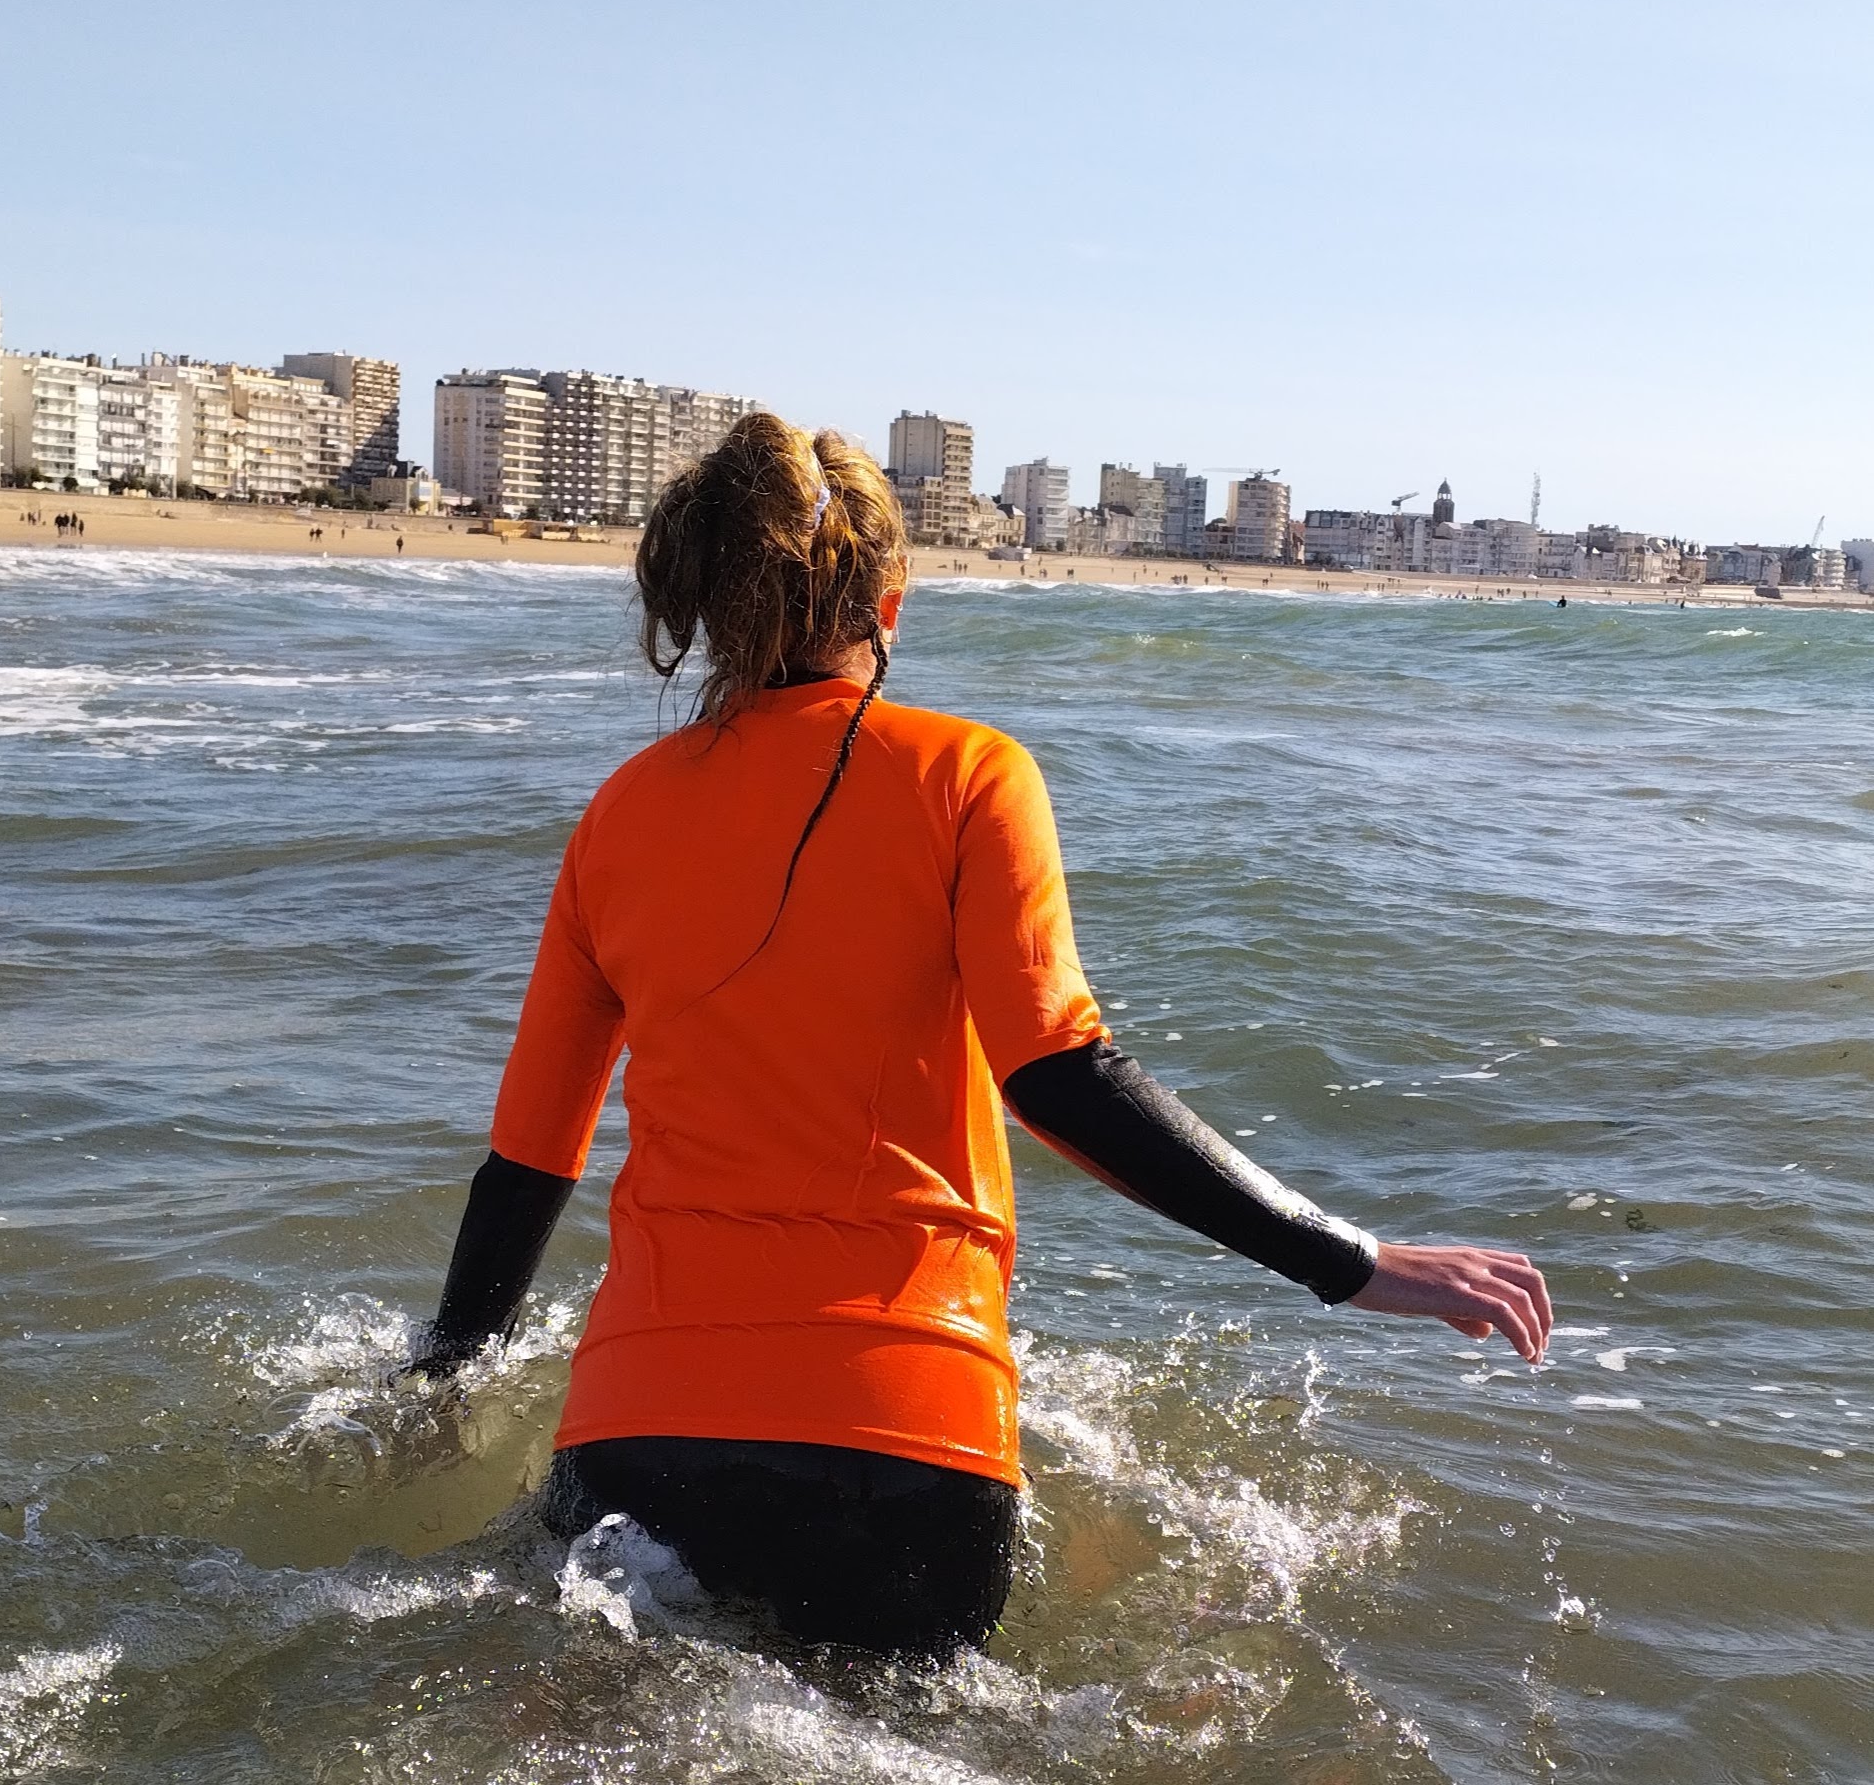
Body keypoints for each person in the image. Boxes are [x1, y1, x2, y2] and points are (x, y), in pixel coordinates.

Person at [410, 415, 1550, 1657]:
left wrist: (441, 1379)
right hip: (903, 1433)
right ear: (888, 603)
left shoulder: (617, 817)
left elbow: (530, 1156)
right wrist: (1349, 1256)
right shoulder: (967, 774)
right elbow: (1057, 1070)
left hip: (642, 1422)